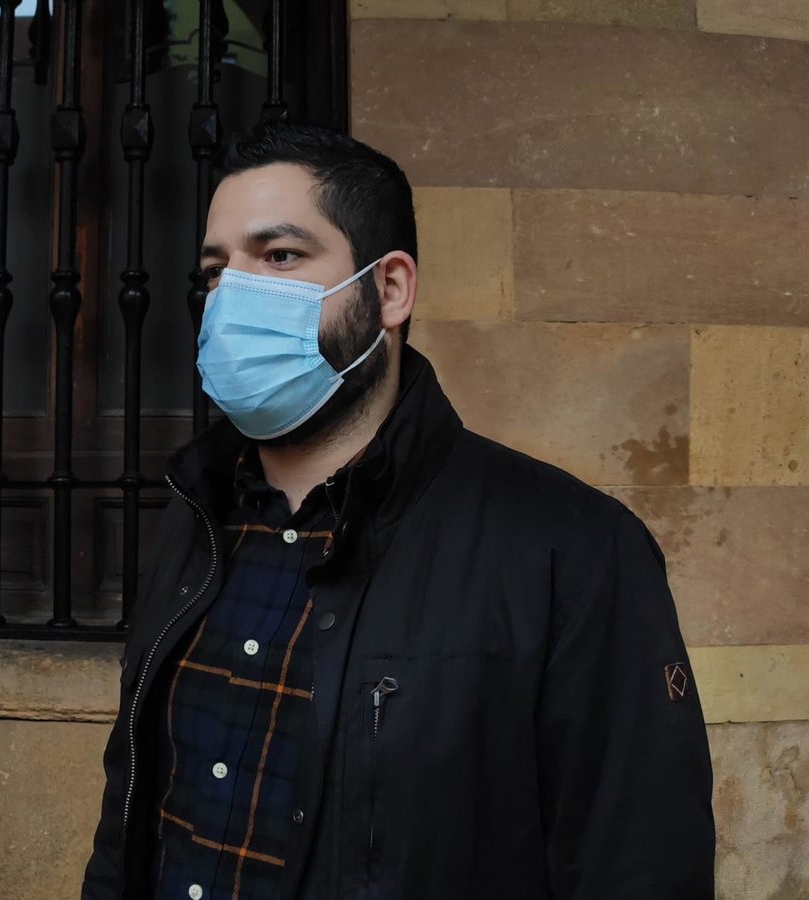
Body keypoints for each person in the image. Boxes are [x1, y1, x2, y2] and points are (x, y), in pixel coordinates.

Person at [82, 121, 715, 900]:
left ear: (389, 290)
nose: (232, 296)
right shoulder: (197, 513)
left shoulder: (575, 550)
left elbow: (637, 863)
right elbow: (132, 814)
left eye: (279, 256)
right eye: (216, 271)